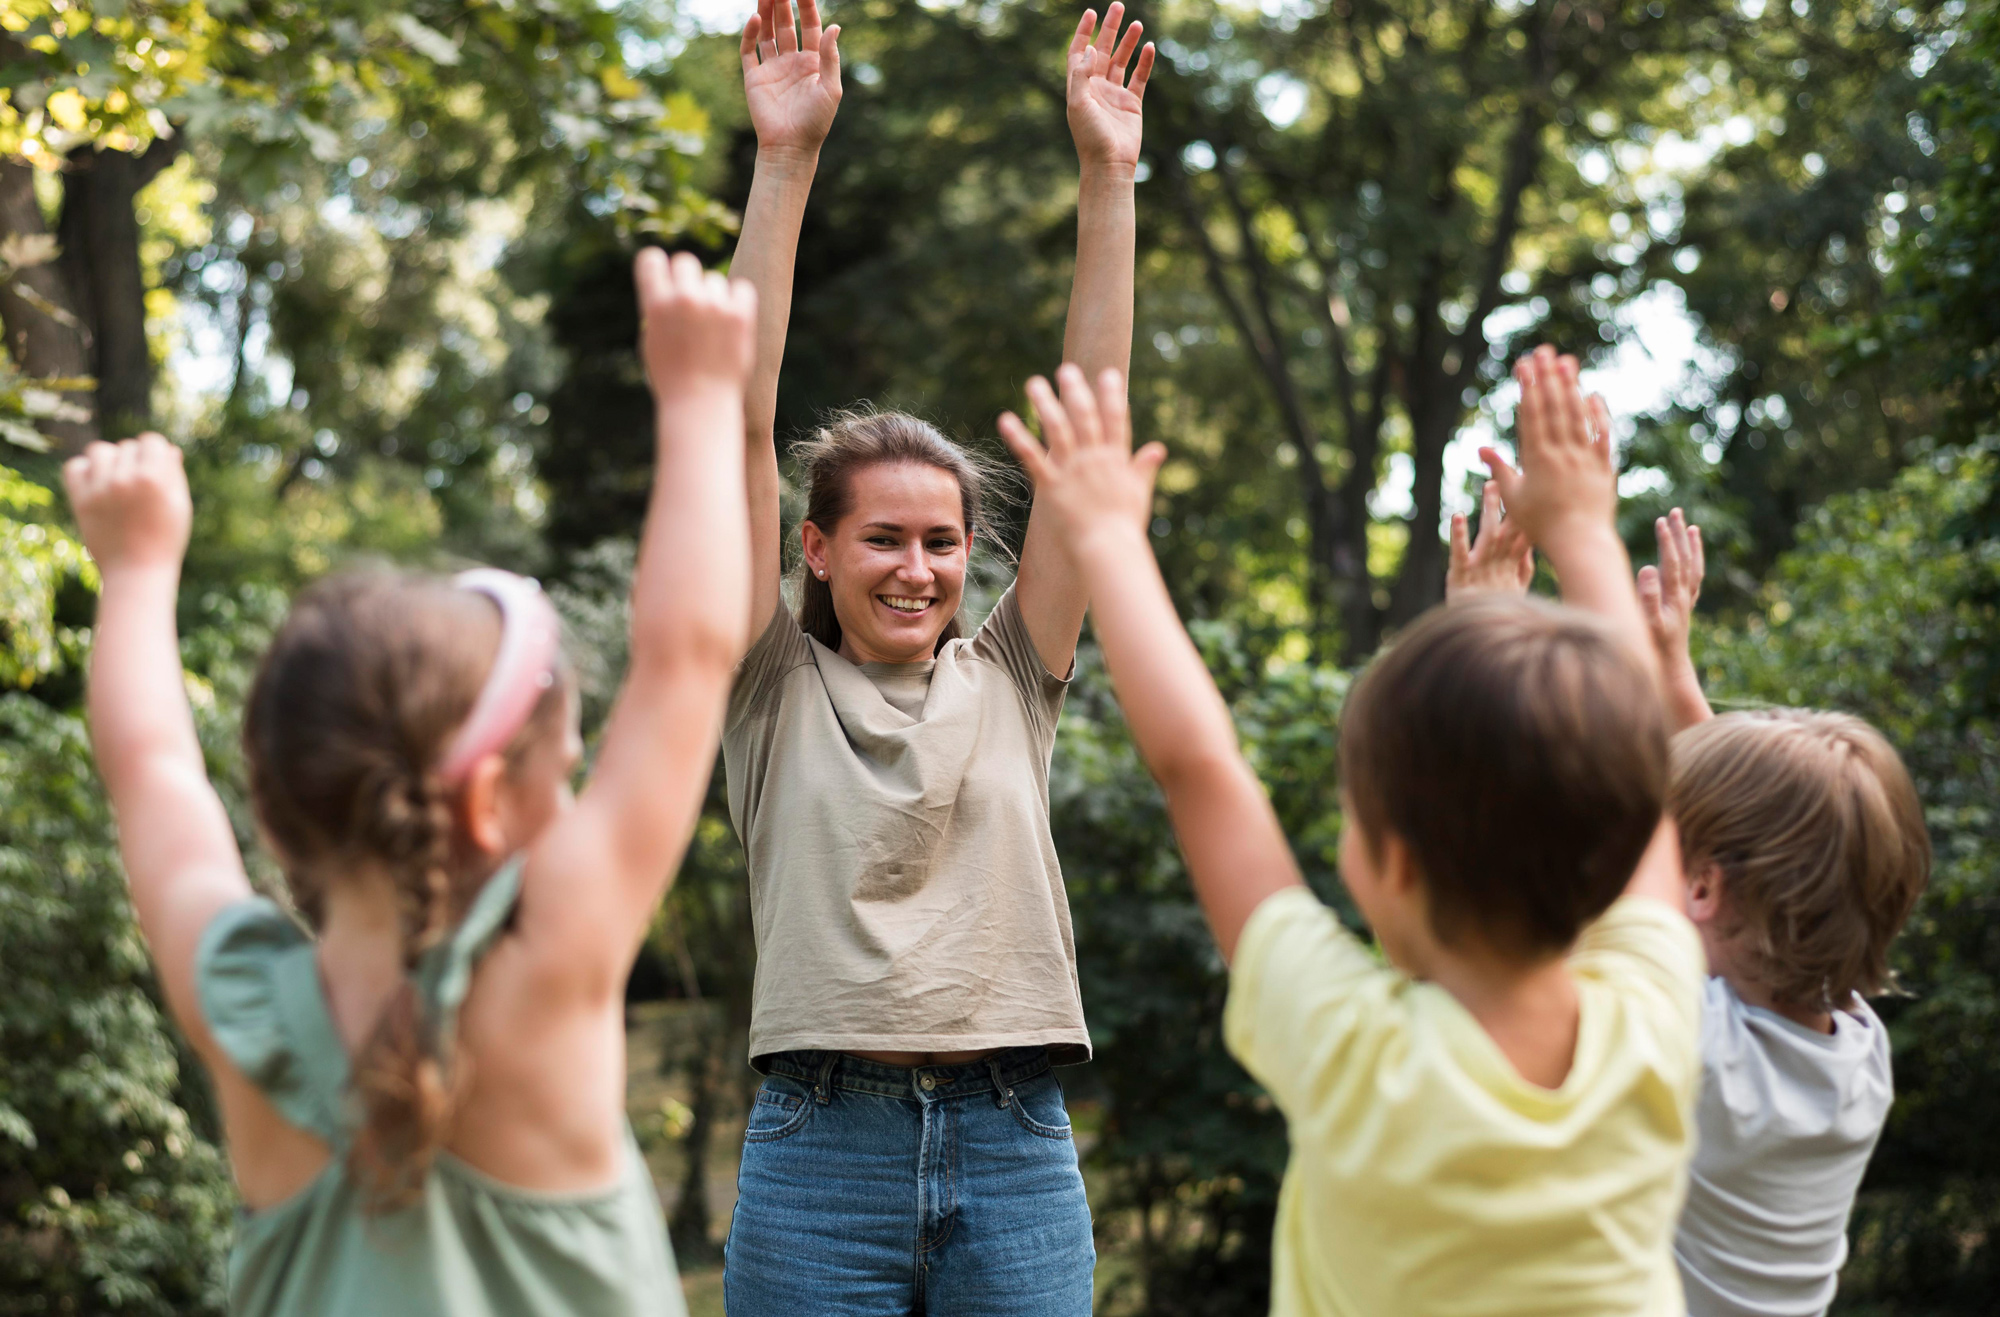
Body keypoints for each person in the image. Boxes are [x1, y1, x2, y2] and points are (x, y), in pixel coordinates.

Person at [65, 251, 757, 1315]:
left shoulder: (240, 1004)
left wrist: (136, 568)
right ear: (486, 804)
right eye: (563, 773)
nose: (574, 798)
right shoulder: (546, 975)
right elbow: (686, 658)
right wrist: (703, 396)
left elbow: (152, 770)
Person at [999, 345, 1707, 1315]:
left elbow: (1201, 769)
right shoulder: (1653, 1020)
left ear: (1395, 865)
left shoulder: (1353, 1054)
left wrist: (1109, 541)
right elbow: (1638, 781)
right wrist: (1582, 534)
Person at [717, 2, 1153, 1311]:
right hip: (818, 1148)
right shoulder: (769, 685)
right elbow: (735, 423)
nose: (919, 568)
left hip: (1016, 1143)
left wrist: (1108, 180)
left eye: (945, 542)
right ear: (816, 551)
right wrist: (783, 163)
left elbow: (1091, 429)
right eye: (884, 541)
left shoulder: (1009, 678)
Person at [1624, 508, 1931, 1317]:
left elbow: (1643, 845)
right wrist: (1669, 666)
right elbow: (1751, 829)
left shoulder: (1697, 1046)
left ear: (1701, 887)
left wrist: (1492, 622)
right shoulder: (1855, 1053)